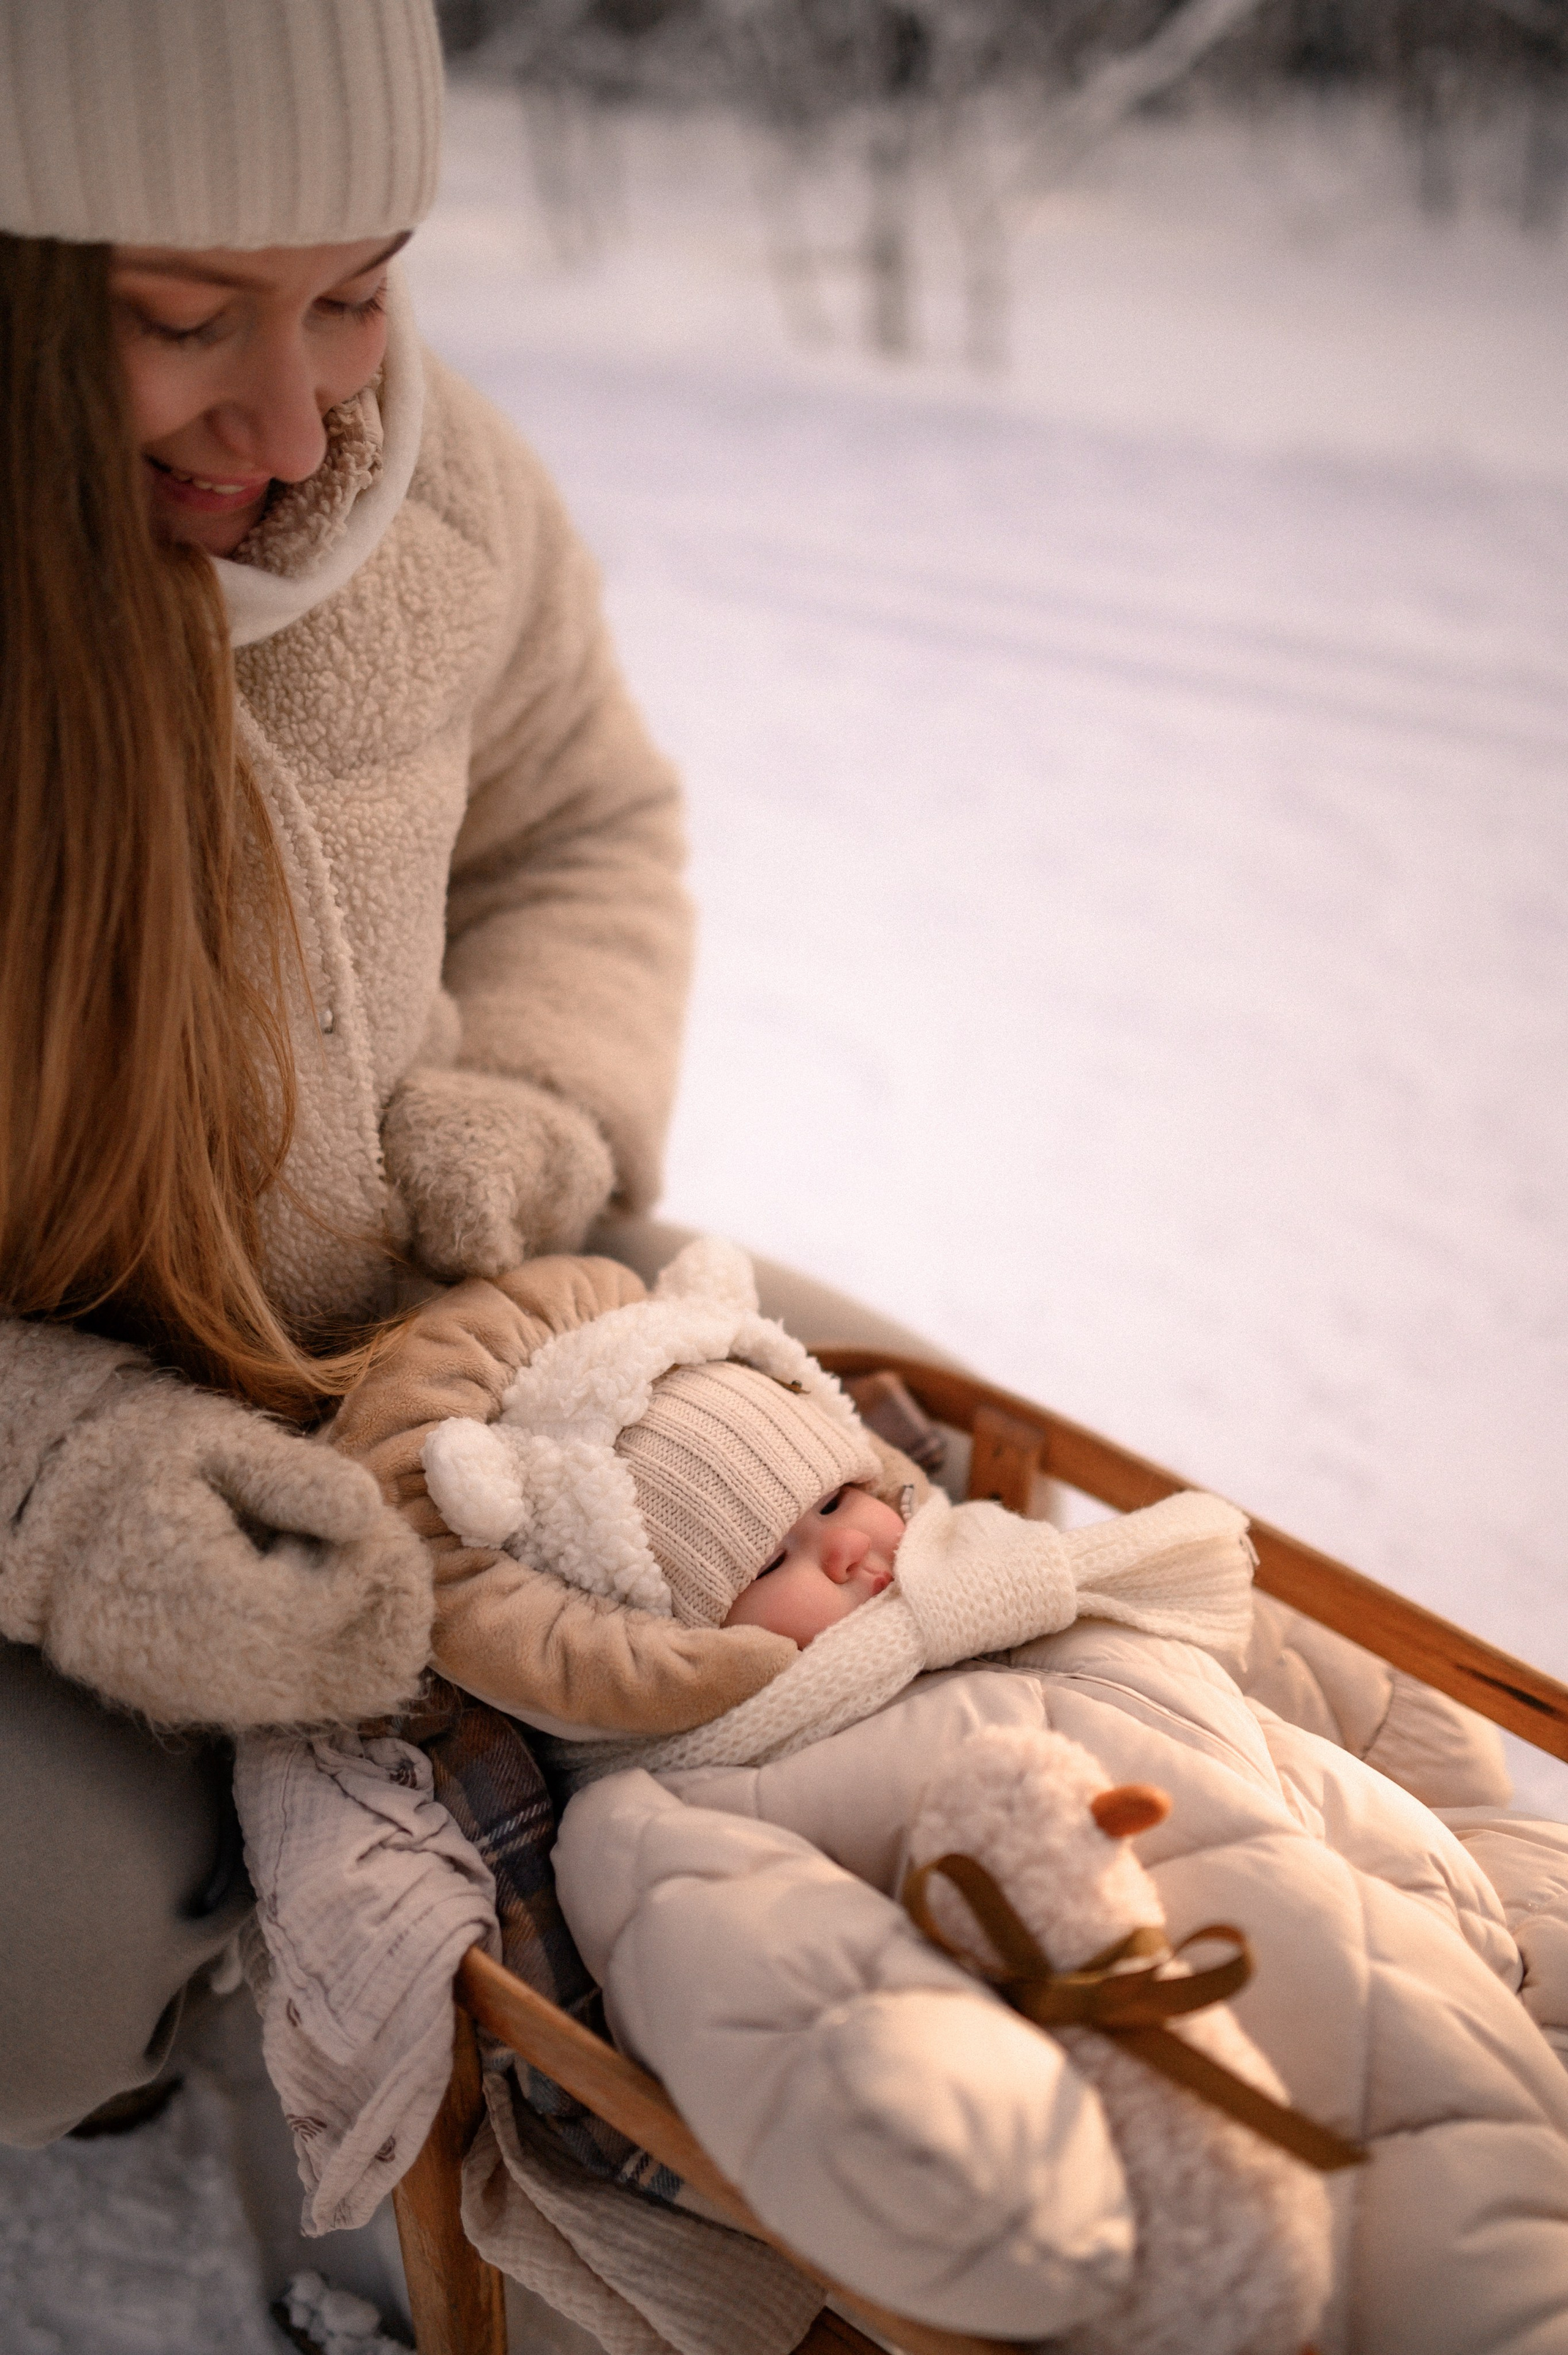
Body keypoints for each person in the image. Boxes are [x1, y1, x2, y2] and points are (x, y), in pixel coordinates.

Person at [0, 0, 938, 2149]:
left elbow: (581, 827)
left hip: (451, 1305)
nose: (300, 411)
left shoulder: (438, 501)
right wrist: (62, 1499)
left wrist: (529, 1084)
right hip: (62, 1450)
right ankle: (222, 1998)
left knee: (893, 1462)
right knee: (36, 1973)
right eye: (175, 316)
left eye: (355, 287)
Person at [395, 1236, 1568, 2351]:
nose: (852, 1548)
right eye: (772, 1563)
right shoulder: (678, 1810)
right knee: (1469, 2272)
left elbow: (1272, 1753)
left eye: (837, 1501)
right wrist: (996, 2160)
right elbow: (808, 2009)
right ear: (650, 1643)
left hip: (1442, 1944)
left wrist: (1444, 1898)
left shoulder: (1007, 1588)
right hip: (1225, 2089)